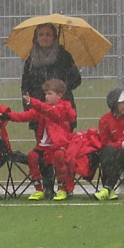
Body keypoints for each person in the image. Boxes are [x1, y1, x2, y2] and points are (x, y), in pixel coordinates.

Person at [20, 22, 82, 196]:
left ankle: (65, 186)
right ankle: (47, 187)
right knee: (43, 150)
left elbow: (76, 80)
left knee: (62, 152)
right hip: (39, 113)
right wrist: (29, 105)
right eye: (41, 34)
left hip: (61, 114)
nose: (45, 38)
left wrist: (60, 89)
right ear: (36, 37)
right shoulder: (31, 60)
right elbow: (25, 85)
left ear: (55, 37)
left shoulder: (64, 56)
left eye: (48, 34)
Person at [0, 79, 77, 201]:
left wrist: (33, 102)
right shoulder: (43, 109)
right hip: (44, 145)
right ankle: (38, 189)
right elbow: (24, 116)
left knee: (59, 156)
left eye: (49, 94)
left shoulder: (63, 107)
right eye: (45, 94)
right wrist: (6, 116)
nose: (46, 96)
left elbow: (53, 113)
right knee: (32, 156)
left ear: (60, 95)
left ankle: (62, 188)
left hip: (60, 144)